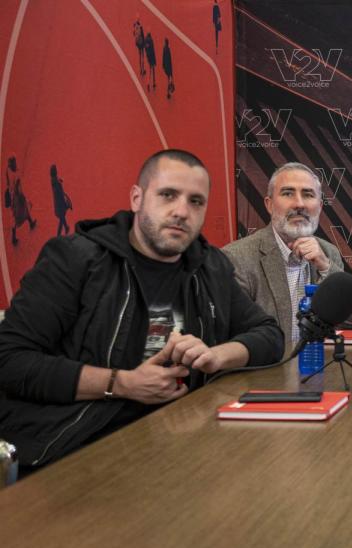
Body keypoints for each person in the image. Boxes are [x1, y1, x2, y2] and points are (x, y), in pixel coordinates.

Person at [0, 149, 283, 471]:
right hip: (80, 447)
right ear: (137, 198)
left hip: (184, 442)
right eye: (167, 195)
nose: (181, 211)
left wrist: (216, 355)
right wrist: (121, 383)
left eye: (195, 201)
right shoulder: (75, 260)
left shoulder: (208, 266)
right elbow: (9, 360)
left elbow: (270, 335)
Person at [223, 162, 352, 353]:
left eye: (308, 195)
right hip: (265, 374)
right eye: (288, 193)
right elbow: (234, 336)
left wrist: (326, 267)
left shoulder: (328, 252)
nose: (299, 204)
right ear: (269, 204)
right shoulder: (237, 258)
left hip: (318, 371)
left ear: (319, 206)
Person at [5, 156, 36, 246]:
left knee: (18, 214)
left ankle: (30, 223)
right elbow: (19, 190)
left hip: (11, 197)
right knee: (21, 212)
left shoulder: (8, 170)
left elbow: (7, 182)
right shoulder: (16, 175)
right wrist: (23, 197)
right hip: (17, 198)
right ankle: (14, 237)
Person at [50, 164, 72, 236]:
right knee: (62, 218)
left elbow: (56, 180)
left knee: (62, 216)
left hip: (57, 203)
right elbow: (60, 194)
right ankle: (58, 235)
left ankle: (66, 227)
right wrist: (65, 203)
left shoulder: (53, 180)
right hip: (60, 203)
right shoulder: (57, 184)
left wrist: (59, 180)